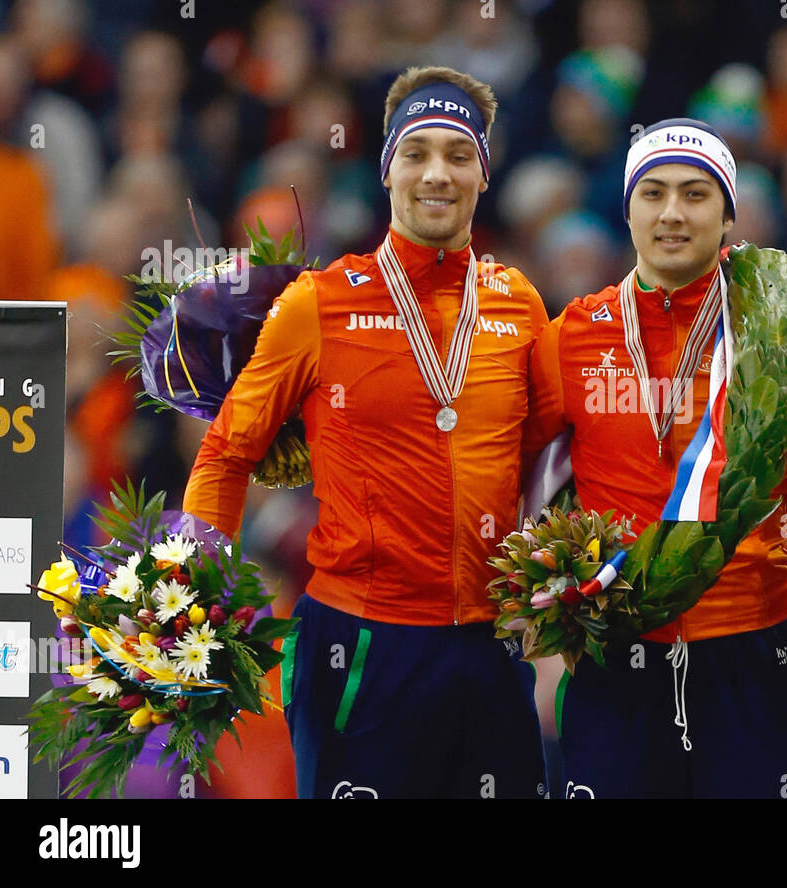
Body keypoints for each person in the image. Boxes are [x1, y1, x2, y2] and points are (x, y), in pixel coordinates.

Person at [183, 66, 550, 799]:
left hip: (488, 647)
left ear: (484, 172)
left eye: (457, 154)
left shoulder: (520, 304)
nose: (436, 173)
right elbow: (226, 453)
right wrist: (196, 609)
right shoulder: (318, 306)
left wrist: (545, 587)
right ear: (387, 172)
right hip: (359, 646)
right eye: (416, 154)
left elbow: (542, 463)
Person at [526, 118, 787, 798]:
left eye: (697, 195)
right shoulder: (573, 335)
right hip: (616, 653)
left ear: (728, 216)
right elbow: (516, 469)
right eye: (655, 193)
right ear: (628, 209)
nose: (673, 212)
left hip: (754, 649)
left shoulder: (783, 338)